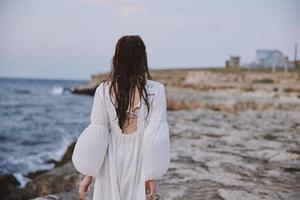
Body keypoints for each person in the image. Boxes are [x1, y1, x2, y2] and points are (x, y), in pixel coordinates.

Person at [72, 35, 171, 200]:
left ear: (117, 58)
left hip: (111, 157)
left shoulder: (103, 90)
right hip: (139, 157)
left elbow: (98, 135)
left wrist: (89, 176)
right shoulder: (157, 90)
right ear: (142, 58)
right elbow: (155, 138)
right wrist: (149, 176)